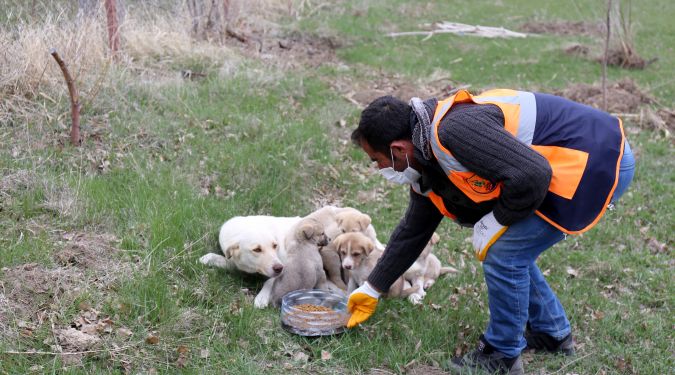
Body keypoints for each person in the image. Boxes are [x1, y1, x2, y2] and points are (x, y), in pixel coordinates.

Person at [346, 89, 635, 375]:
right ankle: (551, 332)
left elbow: (533, 176)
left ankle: (502, 354)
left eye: (376, 160)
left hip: (598, 158)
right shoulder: (425, 160)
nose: (379, 168)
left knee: (504, 252)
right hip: (576, 157)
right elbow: (413, 231)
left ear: (398, 149)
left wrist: (496, 221)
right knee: (510, 249)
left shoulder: (454, 132)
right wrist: (372, 288)